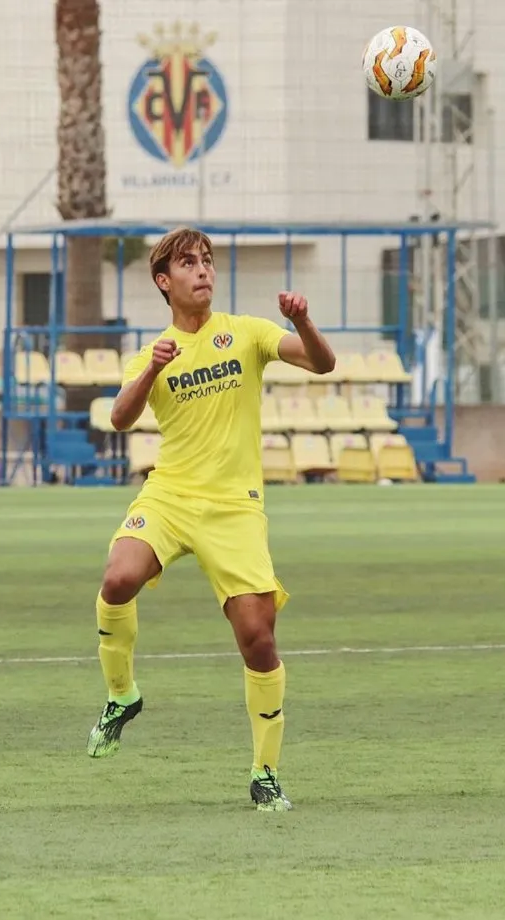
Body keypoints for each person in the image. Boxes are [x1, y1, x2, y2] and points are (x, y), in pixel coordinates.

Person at [86, 227, 336, 813]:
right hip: (170, 495)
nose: (202, 271)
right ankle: (121, 696)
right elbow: (121, 419)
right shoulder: (150, 353)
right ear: (163, 282)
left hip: (233, 508)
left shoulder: (246, 332)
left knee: (258, 638)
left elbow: (322, 365)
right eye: (188, 263)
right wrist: (152, 370)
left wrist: (301, 321)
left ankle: (265, 772)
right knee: (117, 577)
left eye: (206, 261)